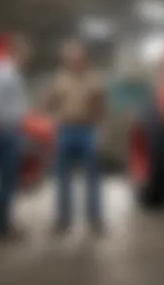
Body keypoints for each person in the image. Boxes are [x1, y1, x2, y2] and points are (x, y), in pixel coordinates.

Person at [44, 40, 106, 234]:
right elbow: (49, 104)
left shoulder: (94, 79)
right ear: (66, 61)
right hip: (65, 131)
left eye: (77, 57)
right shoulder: (59, 79)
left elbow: (100, 106)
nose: (74, 61)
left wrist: (96, 123)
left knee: (92, 179)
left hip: (86, 132)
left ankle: (94, 219)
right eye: (69, 58)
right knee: (63, 178)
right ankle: (63, 219)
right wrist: (54, 112)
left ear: (84, 59)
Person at [0, 34, 32, 240]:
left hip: (12, 130)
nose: (28, 58)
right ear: (17, 51)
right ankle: (1, 227)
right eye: (26, 54)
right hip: (6, 131)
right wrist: (7, 125)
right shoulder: (4, 72)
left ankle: (3, 224)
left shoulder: (11, 71)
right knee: (5, 181)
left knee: (8, 181)